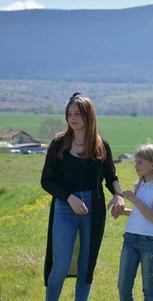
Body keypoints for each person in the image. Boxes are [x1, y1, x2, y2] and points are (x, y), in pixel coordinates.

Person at [41, 92, 125, 301]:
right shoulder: (58, 144)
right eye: (69, 114)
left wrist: (118, 195)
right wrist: (69, 197)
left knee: (86, 266)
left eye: (77, 113)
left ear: (88, 115)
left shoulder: (101, 145)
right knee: (60, 265)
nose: (72, 118)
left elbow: (111, 177)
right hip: (65, 208)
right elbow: (46, 181)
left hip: (93, 211)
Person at [117, 144, 153, 301]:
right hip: (130, 239)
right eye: (135, 162)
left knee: (149, 289)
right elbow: (139, 213)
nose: (136, 166)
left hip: (150, 242)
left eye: (140, 162)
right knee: (123, 286)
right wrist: (123, 211)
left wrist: (134, 199)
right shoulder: (139, 184)